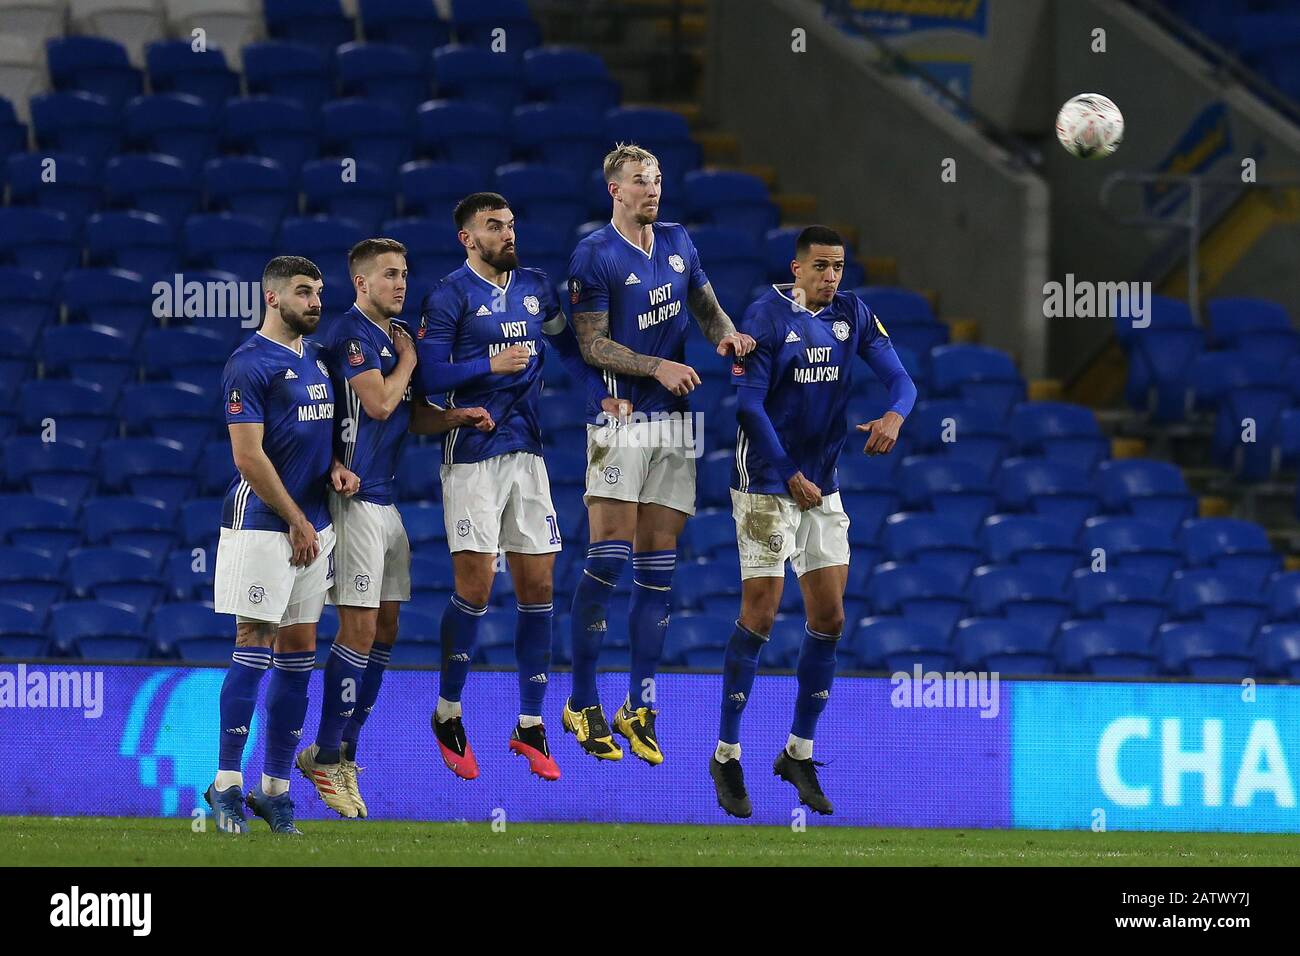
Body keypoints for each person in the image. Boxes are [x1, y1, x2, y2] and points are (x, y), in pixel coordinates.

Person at [711, 226, 916, 818]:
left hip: (821, 488)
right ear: (796, 269)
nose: (831, 277)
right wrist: (788, 471)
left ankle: (797, 751)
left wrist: (894, 417)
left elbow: (902, 381)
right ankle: (726, 753)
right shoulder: (765, 319)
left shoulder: (853, 312)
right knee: (763, 612)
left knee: (829, 617)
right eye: (821, 267)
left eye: (839, 267)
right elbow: (749, 407)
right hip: (766, 486)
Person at [417, 192, 623, 781]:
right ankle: (448, 711)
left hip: (527, 456)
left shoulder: (536, 286)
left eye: (511, 224)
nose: (508, 233)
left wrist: (599, 392)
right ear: (467, 238)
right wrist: (488, 366)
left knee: (539, 586)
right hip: (471, 457)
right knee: (478, 587)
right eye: (494, 227)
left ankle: (530, 723)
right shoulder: (449, 294)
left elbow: (568, 347)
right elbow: (429, 376)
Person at [564, 143, 754, 765]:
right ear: (614, 190)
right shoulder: (593, 254)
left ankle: (638, 703)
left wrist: (728, 337)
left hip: (675, 425)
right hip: (621, 418)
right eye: (641, 182)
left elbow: (704, 305)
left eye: (658, 180)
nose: (653, 190)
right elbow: (591, 345)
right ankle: (582, 700)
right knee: (610, 558)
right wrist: (657, 366)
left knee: (657, 572)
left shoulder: (677, 241)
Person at [206, 255, 361, 835]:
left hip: (313, 523)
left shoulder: (319, 359)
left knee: (298, 655)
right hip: (263, 524)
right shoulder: (248, 364)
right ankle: (225, 784)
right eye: (304, 292)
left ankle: (275, 790)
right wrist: (295, 518)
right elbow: (248, 457)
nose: (316, 301)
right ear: (273, 299)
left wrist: (338, 468)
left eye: (319, 291)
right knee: (254, 643)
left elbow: (318, 435)